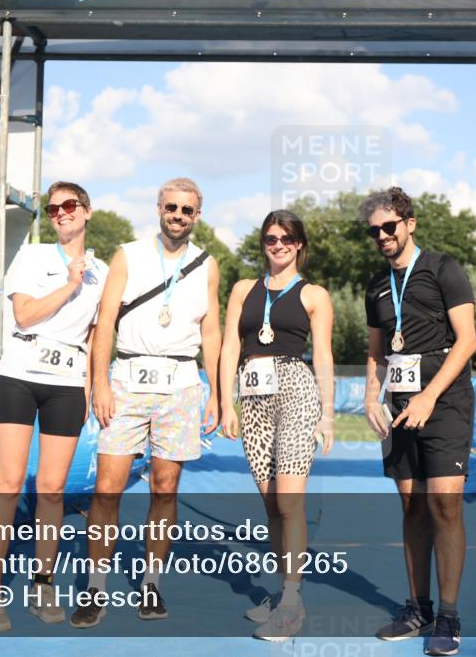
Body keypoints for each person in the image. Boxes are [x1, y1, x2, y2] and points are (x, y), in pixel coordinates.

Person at [72, 177, 221, 628]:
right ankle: (96, 587)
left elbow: (211, 330)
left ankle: (151, 583)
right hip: (128, 379)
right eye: (171, 207)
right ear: (159, 208)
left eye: (187, 210)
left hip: (180, 383)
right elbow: (105, 323)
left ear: (197, 215)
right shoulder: (128, 255)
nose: (178, 216)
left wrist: (215, 391)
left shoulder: (207, 264)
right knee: (107, 487)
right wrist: (98, 382)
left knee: (165, 488)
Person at [0, 181, 107, 632]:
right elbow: (25, 315)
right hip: (18, 378)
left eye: (69, 206)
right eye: (53, 209)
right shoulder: (32, 256)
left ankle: (42, 583)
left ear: (87, 212)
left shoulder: (104, 272)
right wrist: (71, 284)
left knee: (52, 490)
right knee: (9, 483)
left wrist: (93, 385)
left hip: (67, 385)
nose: (60, 213)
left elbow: (96, 334)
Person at [361, 187, 476, 657]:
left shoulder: (443, 269)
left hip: (444, 403)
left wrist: (430, 395)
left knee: (444, 505)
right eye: (375, 231)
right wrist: (373, 395)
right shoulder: (375, 286)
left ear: (410, 224)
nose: (383, 236)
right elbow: (376, 352)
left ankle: (448, 616)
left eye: (390, 226)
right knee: (411, 507)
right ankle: (418, 607)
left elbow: (467, 341)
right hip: (400, 406)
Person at [219, 210, 335, 641]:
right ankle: (286, 591)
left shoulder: (315, 295)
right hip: (252, 397)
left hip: (296, 391)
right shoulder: (243, 290)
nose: (279, 245)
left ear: (300, 244)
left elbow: (322, 355)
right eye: (271, 238)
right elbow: (231, 343)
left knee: (289, 502)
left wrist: (327, 413)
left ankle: (290, 601)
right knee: (271, 505)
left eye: (287, 238)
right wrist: (226, 400)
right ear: (263, 243)